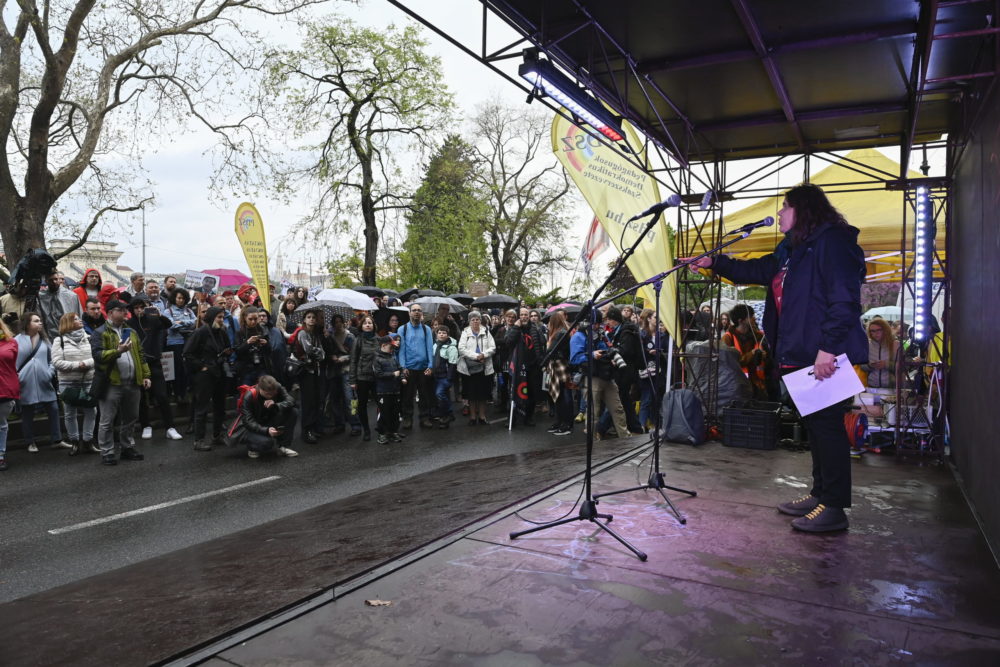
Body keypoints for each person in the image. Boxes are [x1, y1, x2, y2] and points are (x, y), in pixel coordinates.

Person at [687, 183, 866, 533]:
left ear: (805, 209)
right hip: (799, 353)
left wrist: (827, 349)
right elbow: (755, 271)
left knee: (828, 429)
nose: (780, 213)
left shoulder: (833, 242)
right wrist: (714, 262)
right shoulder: (791, 249)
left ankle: (835, 507)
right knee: (816, 428)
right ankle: (820, 495)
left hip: (823, 355)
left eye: (785, 206)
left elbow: (845, 299)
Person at [91, 300, 150, 465]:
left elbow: (140, 354)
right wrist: (117, 351)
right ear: (109, 313)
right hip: (112, 383)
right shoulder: (100, 332)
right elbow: (98, 356)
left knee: (131, 418)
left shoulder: (130, 331)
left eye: (125, 310)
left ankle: (127, 447)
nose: (125, 313)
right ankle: (107, 452)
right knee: (107, 420)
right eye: (120, 310)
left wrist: (145, 375)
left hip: (132, 382)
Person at [569, 309, 630, 440]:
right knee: (593, 413)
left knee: (618, 409)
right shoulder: (578, 336)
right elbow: (574, 359)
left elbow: (609, 350)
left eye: (599, 323)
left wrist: (612, 358)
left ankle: (625, 440)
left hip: (608, 376)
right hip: (593, 378)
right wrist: (591, 355)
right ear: (586, 322)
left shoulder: (602, 334)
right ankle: (592, 445)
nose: (597, 326)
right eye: (594, 323)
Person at [128, 297, 181, 442]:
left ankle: (170, 427)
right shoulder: (129, 324)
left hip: (154, 362)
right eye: (136, 308)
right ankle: (146, 425)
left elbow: (167, 324)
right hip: (138, 364)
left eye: (141, 307)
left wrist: (159, 314)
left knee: (162, 396)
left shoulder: (152, 319)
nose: (139, 310)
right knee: (141, 398)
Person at [15, 312, 67, 452]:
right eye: (36, 321)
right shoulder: (16, 341)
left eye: (40, 320)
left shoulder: (44, 340)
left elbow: (53, 359)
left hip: (44, 381)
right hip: (25, 383)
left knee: (54, 409)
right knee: (27, 413)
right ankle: (30, 442)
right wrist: (18, 376)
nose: (40, 323)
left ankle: (56, 439)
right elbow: (12, 360)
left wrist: (49, 372)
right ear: (27, 323)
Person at [183, 306, 231, 452]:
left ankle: (217, 435)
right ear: (211, 318)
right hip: (205, 375)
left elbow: (227, 348)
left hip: (219, 372)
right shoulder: (201, 332)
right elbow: (187, 354)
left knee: (220, 406)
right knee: (202, 408)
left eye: (223, 317)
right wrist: (202, 366)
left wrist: (226, 353)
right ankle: (199, 440)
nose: (222, 320)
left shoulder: (222, 332)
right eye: (219, 317)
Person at [51, 312, 98, 455]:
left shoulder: (89, 338)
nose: (80, 320)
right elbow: (57, 362)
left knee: (92, 410)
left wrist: (87, 363)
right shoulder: (59, 341)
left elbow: (96, 357)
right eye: (76, 319)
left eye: (79, 318)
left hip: (88, 380)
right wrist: (78, 365)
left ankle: (88, 441)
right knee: (70, 412)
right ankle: (75, 442)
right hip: (68, 382)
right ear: (68, 323)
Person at [227, 374, 299, 459]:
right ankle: (252, 447)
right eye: (268, 394)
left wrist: (276, 405)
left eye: (273, 393)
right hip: (250, 427)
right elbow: (248, 422)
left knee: (293, 411)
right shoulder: (249, 395)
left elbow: (291, 400)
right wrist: (266, 431)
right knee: (267, 443)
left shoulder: (277, 386)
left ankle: (283, 446)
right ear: (260, 389)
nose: (271, 396)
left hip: (267, 419)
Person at [603, 306, 644, 435]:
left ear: (614, 319)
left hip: (625, 371)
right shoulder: (622, 330)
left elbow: (627, 351)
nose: (607, 323)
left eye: (608, 320)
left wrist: (615, 351)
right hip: (624, 370)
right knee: (624, 400)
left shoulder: (627, 331)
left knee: (617, 399)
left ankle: (601, 427)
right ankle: (635, 427)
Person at [505, 307, 546, 426]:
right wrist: (516, 328)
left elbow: (542, 342)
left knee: (531, 393)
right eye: (521, 315)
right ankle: (513, 418)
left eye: (526, 315)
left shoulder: (534, 328)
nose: (524, 317)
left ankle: (529, 417)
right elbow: (508, 342)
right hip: (518, 366)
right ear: (519, 316)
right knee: (514, 392)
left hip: (533, 366)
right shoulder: (514, 327)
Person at [397, 303, 436, 429]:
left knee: (424, 395)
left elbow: (430, 349)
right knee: (407, 396)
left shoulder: (427, 329)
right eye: (414, 310)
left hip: (424, 368)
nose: (416, 312)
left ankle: (424, 418)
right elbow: (401, 350)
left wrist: (430, 365)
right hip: (409, 368)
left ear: (422, 314)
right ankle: (407, 418)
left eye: (419, 310)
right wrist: (403, 367)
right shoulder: (402, 329)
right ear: (409, 313)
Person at [289, 309, 325, 443]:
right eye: (309, 317)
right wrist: (317, 352)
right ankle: (306, 431)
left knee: (316, 400)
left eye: (314, 318)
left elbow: (322, 354)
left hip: (315, 370)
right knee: (308, 402)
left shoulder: (315, 334)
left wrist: (318, 352)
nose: (311, 320)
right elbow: (309, 349)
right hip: (305, 371)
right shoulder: (303, 333)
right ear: (304, 319)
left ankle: (313, 428)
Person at [722, 304, 770, 400]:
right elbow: (728, 363)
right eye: (751, 316)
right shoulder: (727, 338)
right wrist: (751, 354)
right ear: (741, 320)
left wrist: (764, 356)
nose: (754, 318)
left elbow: (769, 360)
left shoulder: (759, 336)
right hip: (737, 386)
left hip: (758, 385)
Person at [456, 311, 495, 426]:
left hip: (484, 368)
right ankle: (473, 417)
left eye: (477, 319)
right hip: (469, 368)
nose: (475, 321)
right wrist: (476, 357)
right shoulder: (465, 332)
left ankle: (482, 417)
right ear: (469, 321)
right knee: (471, 394)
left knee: (483, 394)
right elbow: (461, 349)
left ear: (480, 320)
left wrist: (484, 354)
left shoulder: (486, 331)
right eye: (472, 319)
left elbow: (493, 347)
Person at [324, 314, 361, 435]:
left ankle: (355, 424)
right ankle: (339, 424)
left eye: (340, 321)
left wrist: (342, 358)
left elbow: (354, 355)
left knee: (350, 399)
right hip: (334, 371)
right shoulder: (330, 336)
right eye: (335, 322)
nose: (338, 324)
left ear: (344, 322)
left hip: (346, 370)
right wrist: (332, 357)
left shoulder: (349, 336)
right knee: (334, 399)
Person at [349, 315, 380, 441]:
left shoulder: (379, 339)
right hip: (362, 377)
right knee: (361, 405)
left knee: (381, 403)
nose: (368, 325)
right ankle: (366, 430)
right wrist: (352, 380)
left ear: (373, 325)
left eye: (370, 323)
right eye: (365, 323)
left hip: (377, 377)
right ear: (361, 326)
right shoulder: (358, 340)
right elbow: (353, 360)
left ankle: (382, 426)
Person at [543, 310, 574, 436]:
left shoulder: (559, 333)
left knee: (562, 396)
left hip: (559, 366)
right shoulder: (563, 332)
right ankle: (561, 421)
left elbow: (551, 350)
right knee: (561, 396)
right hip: (560, 365)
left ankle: (565, 423)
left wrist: (549, 342)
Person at [164, 287, 196, 403]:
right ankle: (178, 394)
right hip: (174, 343)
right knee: (177, 369)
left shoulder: (189, 311)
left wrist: (181, 322)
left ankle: (184, 393)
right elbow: (171, 325)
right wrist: (186, 324)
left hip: (187, 343)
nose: (181, 300)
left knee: (186, 369)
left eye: (183, 298)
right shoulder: (168, 311)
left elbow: (195, 323)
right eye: (178, 298)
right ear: (174, 298)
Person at [373, 335, 405, 444]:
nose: (392, 349)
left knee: (395, 412)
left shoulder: (393, 358)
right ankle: (382, 433)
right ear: (383, 345)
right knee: (383, 412)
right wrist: (392, 374)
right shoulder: (377, 359)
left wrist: (402, 377)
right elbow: (378, 374)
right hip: (383, 391)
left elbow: (399, 369)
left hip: (395, 390)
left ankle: (393, 431)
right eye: (390, 347)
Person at [0, 318, 20, 470]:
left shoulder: (11, 342)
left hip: (5, 389)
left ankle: (1, 455)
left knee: (1, 424)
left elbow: (12, 366)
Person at [37, 271, 82, 339]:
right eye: (51, 280)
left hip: (69, 334)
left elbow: (78, 314)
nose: (54, 282)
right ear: (46, 281)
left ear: (59, 279)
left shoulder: (71, 296)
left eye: (56, 279)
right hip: (49, 335)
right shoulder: (41, 297)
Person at [235, 306, 272, 385]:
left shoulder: (262, 330)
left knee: (264, 389)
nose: (253, 322)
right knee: (247, 392)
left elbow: (269, 350)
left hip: (261, 367)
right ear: (245, 318)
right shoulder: (240, 332)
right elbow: (237, 351)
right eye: (250, 319)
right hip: (246, 369)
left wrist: (265, 344)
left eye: (255, 319)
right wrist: (247, 343)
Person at [430, 325, 459, 427]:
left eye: (444, 333)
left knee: (440, 394)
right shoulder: (435, 345)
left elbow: (452, 365)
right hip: (435, 376)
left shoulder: (451, 348)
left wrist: (449, 379)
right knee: (440, 397)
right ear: (436, 334)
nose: (441, 335)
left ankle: (449, 413)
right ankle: (444, 417)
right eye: (439, 333)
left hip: (444, 376)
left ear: (448, 335)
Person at [863, 318, 896, 391]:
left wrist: (886, 365)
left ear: (885, 330)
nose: (876, 333)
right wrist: (870, 366)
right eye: (873, 331)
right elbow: (861, 366)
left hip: (892, 387)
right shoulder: (867, 345)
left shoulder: (896, 345)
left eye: (879, 330)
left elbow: (904, 366)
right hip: (871, 386)